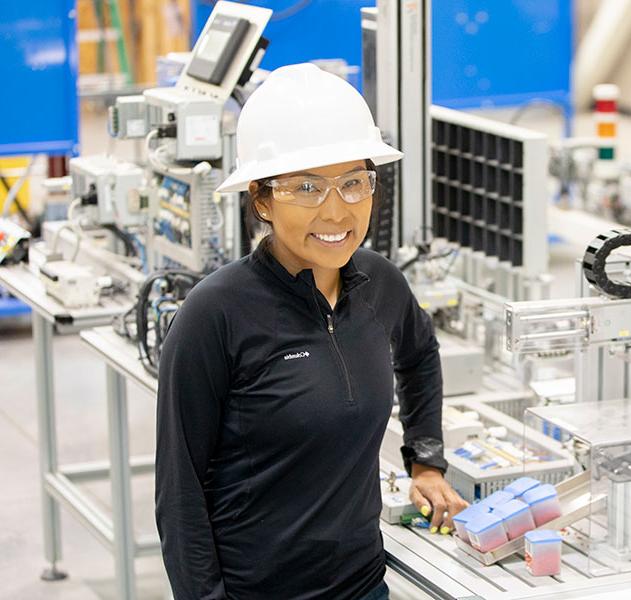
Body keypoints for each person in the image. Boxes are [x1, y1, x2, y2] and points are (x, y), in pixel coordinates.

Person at [155, 63, 467, 600]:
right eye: (306, 187)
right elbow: (179, 492)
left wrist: (427, 460)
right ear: (261, 200)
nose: (336, 210)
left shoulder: (379, 284)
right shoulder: (216, 314)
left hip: (364, 586)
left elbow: (419, 355)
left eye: (353, 183)